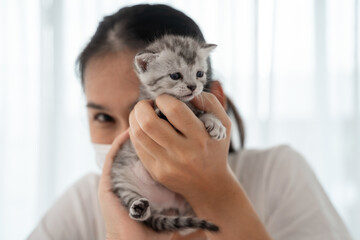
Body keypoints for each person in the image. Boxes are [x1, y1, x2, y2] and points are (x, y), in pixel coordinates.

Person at [28, 4, 352, 240]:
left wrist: (217, 195)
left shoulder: (278, 175)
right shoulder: (83, 204)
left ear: (211, 99)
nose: (128, 134)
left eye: (144, 111)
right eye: (101, 117)